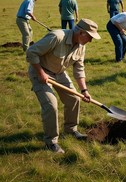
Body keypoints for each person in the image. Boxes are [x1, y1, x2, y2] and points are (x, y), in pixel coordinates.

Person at [26, 18, 101, 153]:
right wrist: (41, 73)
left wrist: (84, 90)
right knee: (51, 105)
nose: (90, 41)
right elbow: (31, 52)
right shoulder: (57, 37)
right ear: (81, 33)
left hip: (59, 73)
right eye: (89, 37)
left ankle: (71, 130)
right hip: (40, 72)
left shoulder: (81, 46)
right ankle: (51, 142)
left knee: (74, 98)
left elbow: (79, 69)